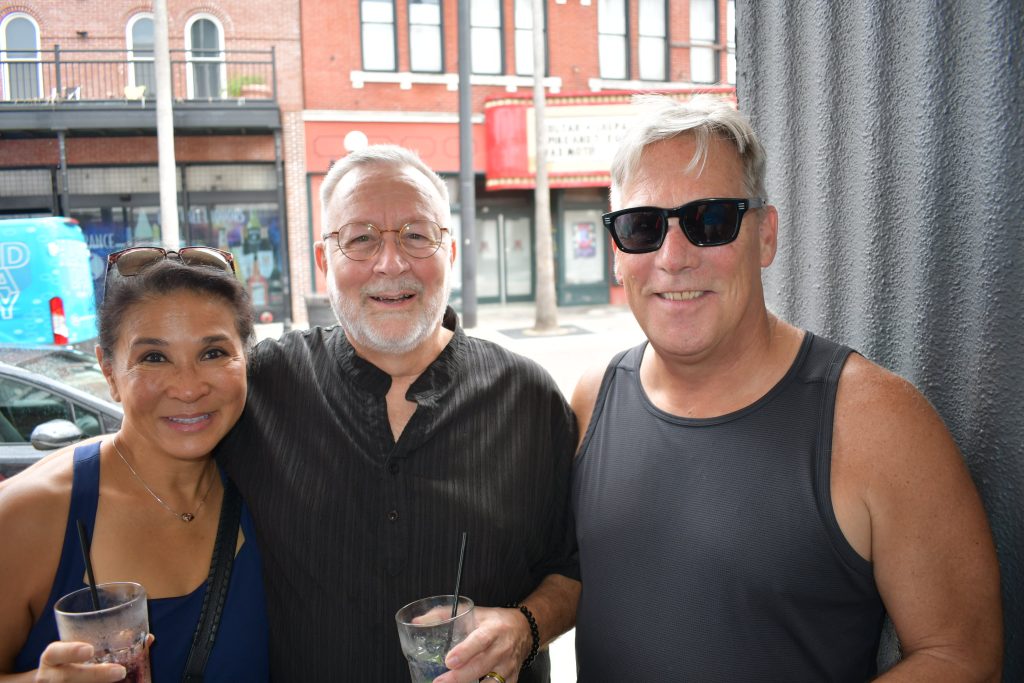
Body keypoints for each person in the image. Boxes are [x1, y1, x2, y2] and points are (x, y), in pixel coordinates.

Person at [570, 95, 1004, 681]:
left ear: (766, 236)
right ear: (618, 253)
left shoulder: (875, 421)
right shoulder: (593, 400)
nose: (673, 257)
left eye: (711, 221)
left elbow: (962, 655)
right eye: (642, 227)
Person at [216, 144, 579, 683]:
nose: (391, 263)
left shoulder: (528, 397)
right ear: (324, 261)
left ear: (449, 251)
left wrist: (526, 627)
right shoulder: (261, 386)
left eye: (416, 235)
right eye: (360, 238)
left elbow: (573, 570)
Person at [0, 249, 269, 682]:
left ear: (246, 360)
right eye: (154, 357)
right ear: (109, 372)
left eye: (214, 352)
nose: (188, 388)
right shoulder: (32, 513)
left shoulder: (266, 488)